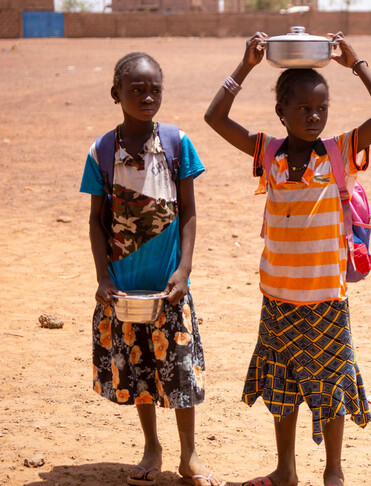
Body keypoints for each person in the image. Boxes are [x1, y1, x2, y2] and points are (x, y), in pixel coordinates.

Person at [204, 32, 371, 486]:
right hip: (278, 294)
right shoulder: (267, 152)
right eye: (304, 109)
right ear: (281, 113)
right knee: (282, 385)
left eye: (321, 110)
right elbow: (214, 117)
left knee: (331, 384)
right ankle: (285, 471)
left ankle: (334, 472)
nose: (314, 117)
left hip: (326, 295)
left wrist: (357, 63)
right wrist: (246, 66)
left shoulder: (338, 152)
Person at [79, 52, 225, 486]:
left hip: (169, 287)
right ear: (116, 94)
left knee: (179, 371)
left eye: (154, 89)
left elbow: (190, 212)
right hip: (125, 287)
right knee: (139, 372)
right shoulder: (102, 152)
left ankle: (189, 455)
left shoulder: (178, 144)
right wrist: (104, 278)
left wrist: (184, 270)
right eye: (136, 89)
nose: (147, 96)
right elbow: (95, 221)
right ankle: (151, 447)